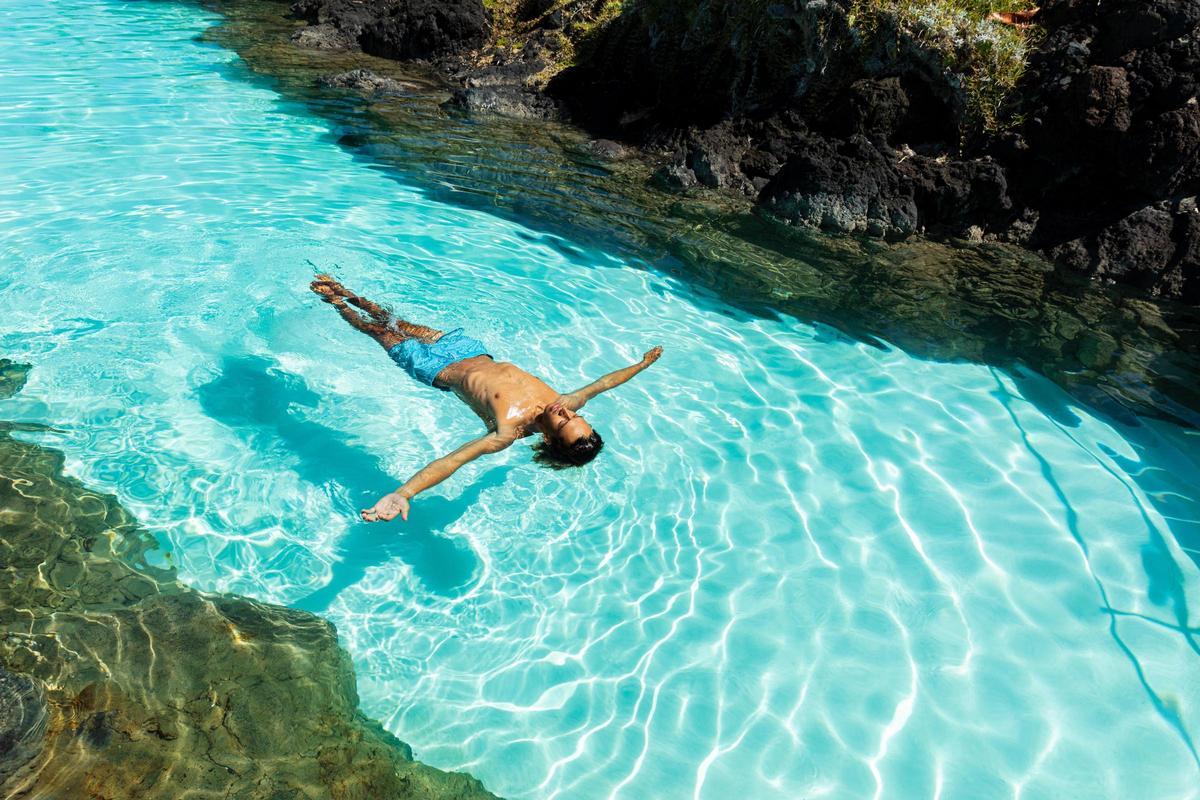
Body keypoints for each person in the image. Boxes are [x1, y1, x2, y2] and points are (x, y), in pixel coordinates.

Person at [309, 275, 663, 522]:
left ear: (551, 437)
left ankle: (334, 301)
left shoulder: (508, 431)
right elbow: (606, 382)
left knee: (374, 328)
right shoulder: (567, 402)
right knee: (392, 318)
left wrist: (405, 493)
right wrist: (643, 365)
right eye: (575, 416)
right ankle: (347, 292)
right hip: (465, 349)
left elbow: (454, 461)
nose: (566, 413)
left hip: (433, 367)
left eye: (564, 422)